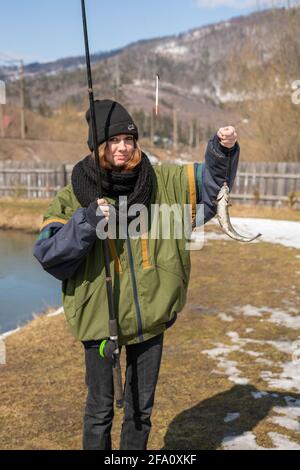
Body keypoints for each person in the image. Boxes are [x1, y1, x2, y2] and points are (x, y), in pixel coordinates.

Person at [33, 99, 239, 450]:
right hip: (100, 320)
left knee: (140, 410)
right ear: (98, 146)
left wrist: (222, 151)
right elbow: (50, 255)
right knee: (99, 410)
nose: (122, 147)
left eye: (128, 140)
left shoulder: (163, 182)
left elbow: (211, 189)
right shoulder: (73, 195)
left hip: (151, 316)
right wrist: (87, 221)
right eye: (113, 141)